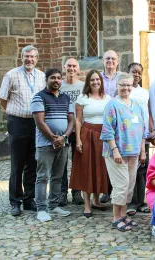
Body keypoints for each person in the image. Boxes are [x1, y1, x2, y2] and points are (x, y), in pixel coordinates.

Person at [0, 45, 46, 216]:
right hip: (17, 122)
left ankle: (29, 199)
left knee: (32, 162)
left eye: (32, 57)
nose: (29, 60)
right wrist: (13, 113)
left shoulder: (41, 76)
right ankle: (15, 201)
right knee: (17, 163)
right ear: (22, 57)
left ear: (37, 58)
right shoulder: (11, 75)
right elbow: (2, 99)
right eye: (26, 56)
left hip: (36, 123)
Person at [100, 73, 146, 231]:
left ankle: (123, 215)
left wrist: (143, 152)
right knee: (121, 185)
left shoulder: (136, 105)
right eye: (122, 85)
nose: (126, 88)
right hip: (116, 153)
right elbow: (107, 131)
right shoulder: (112, 105)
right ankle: (115, 218)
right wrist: (115, 150)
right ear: (117, 87)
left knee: (130, 185)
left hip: (133, 153)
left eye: (128, 85)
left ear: (132, 86)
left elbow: (142, 131)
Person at [30, 68, 74, 222]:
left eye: (58, 78)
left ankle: (54, 205)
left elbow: (71, 121)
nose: (56, 80)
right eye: (52, 78)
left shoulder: (66, 98)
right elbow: (39, 122)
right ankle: (41, 209)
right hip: (45, 144)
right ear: (47, 80)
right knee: (42, 177)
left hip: (63, 144)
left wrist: (64, 137)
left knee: (57, 176)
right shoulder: (39, 97)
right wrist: (54, 138)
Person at [69, 70, 111, 217]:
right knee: (87, 168)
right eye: (92, 80)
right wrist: (79, 139)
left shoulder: (108, 99)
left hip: (103, 136)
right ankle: (87, 205)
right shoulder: (82, 98)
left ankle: (96, 200)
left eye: (97, 80)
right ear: (88, 82)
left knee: (100, 167)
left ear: (101, 81)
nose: (95, 82)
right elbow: (78, 120)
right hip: (87, 134)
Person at [127, 62, 152, 216]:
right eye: (133, 72)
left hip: (144, 134)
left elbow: (147, 111)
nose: (136, 75)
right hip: (130, 135)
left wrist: (152, 128)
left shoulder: (145, 92)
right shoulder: (125, 90)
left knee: (142, 169)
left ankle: (141, 201)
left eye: (138, 72)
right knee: (131, 169)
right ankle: (131, 202)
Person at [59, 58, 85, 206]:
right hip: (63, 129)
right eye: (69, 65)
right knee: (62, 162)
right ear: (64, 67)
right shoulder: (60, 85)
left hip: (78, 130)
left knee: (77, 162)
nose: (71, 68)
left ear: (78, 68)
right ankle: (62, 192)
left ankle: (76, 192)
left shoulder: (82, 86)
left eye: (74, 66)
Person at [100, 50, 120, 203]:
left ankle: (117, 190)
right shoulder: (97, 78)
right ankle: (105, 190)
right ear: (102, 60)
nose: (110, 61)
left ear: (118, 61)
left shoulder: (123, 77)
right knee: (104, 158)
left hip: (120, 123)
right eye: (107, 58)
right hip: (100, 122)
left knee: (117, 157)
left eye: (113, 59)